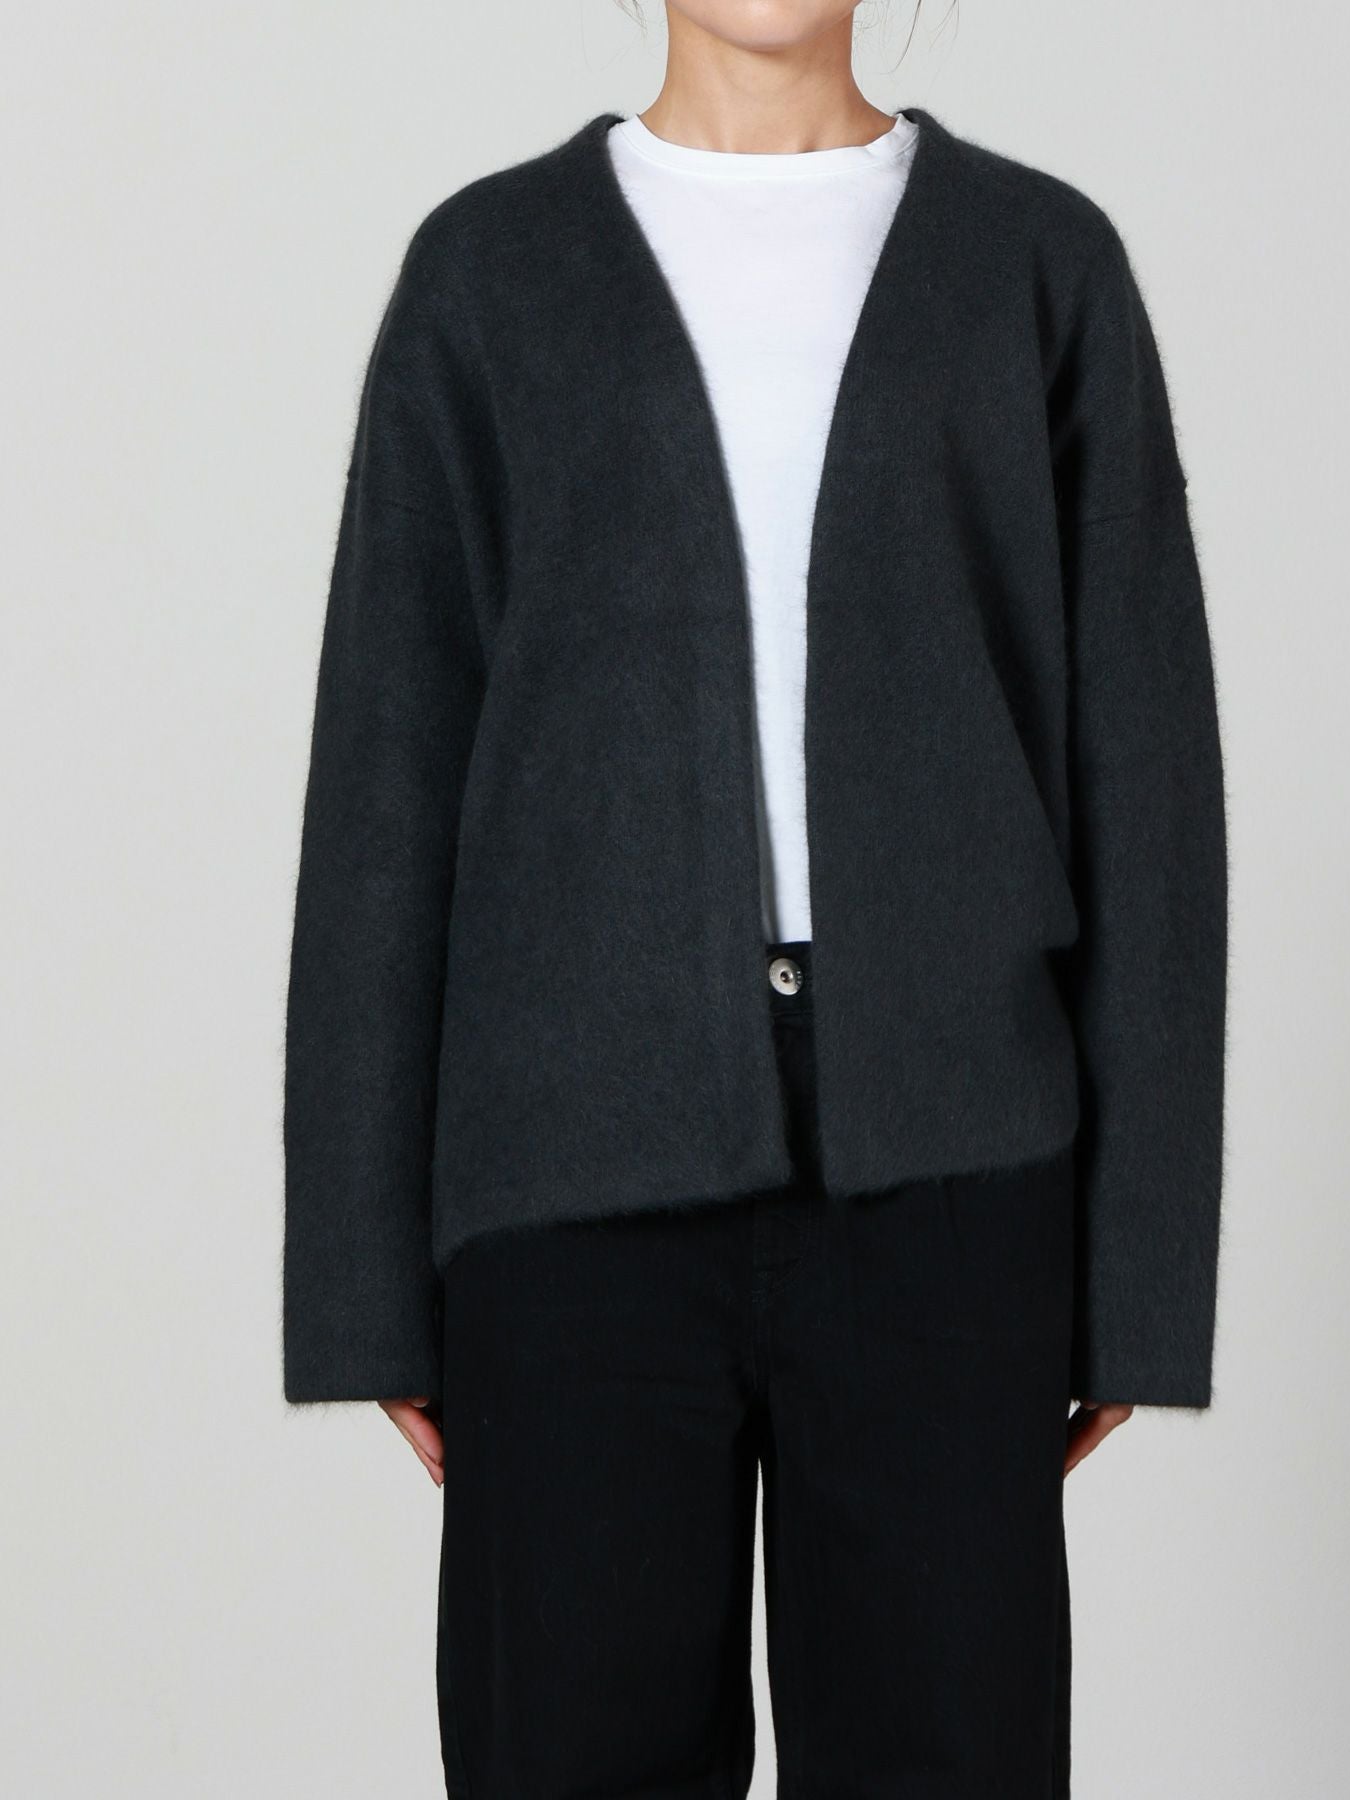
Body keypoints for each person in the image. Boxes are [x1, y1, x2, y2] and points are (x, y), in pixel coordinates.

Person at [281, 2, 1228, 1793]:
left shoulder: (1040, 267)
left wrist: (1140, 1273)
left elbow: (1147, 783)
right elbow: (387, 773)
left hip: (955, 1179)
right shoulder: (485, 275)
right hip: (568, 1190)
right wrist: (362, 1277)